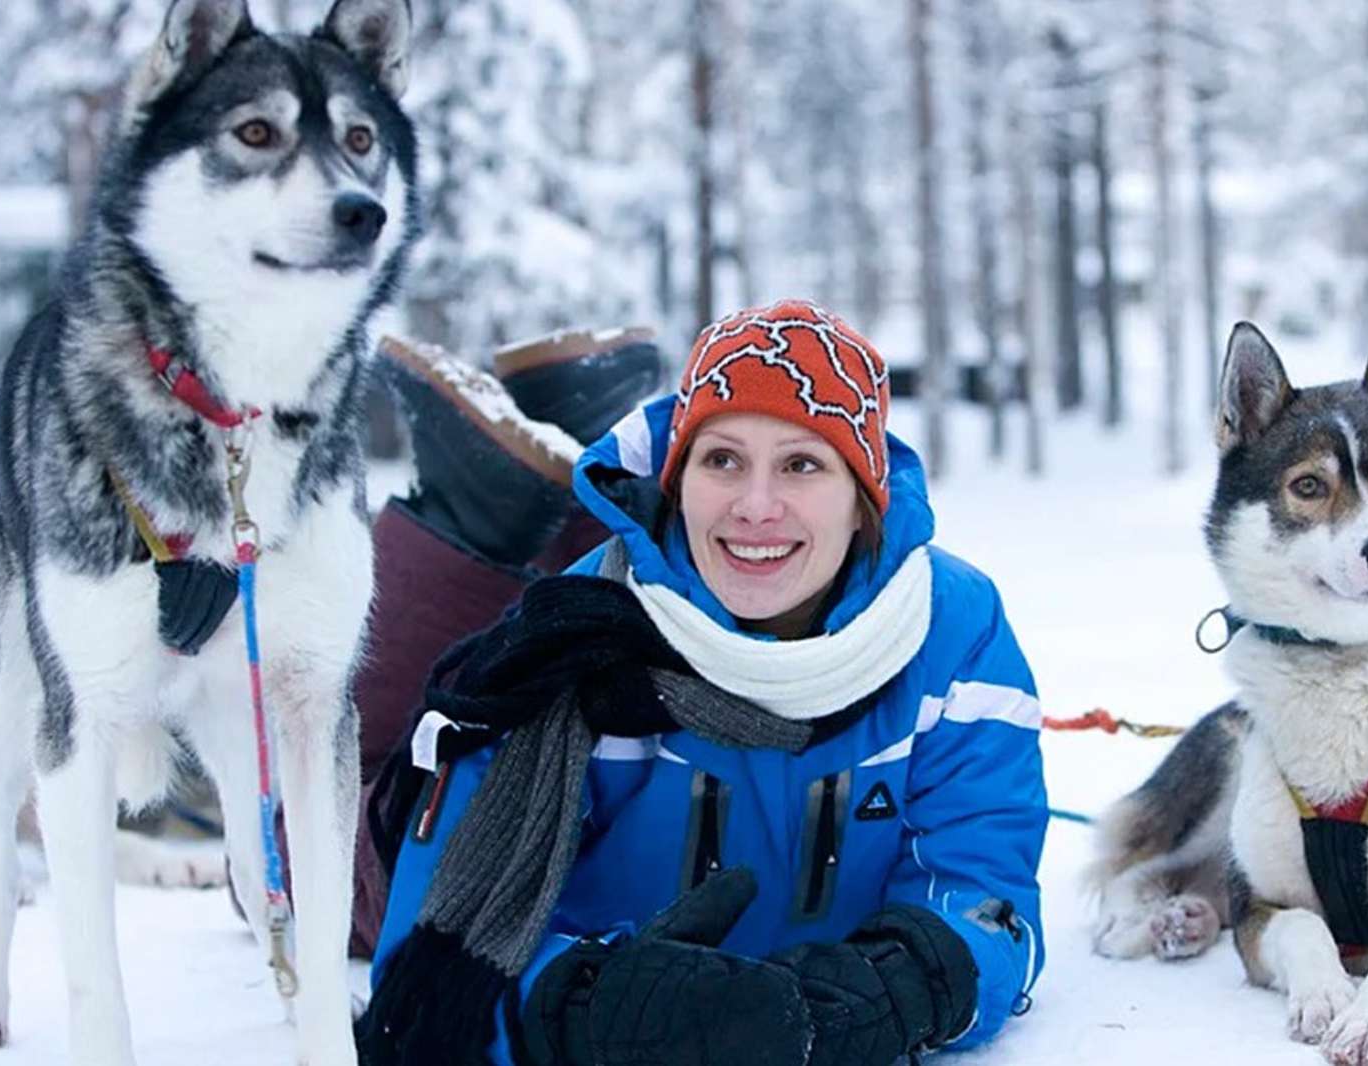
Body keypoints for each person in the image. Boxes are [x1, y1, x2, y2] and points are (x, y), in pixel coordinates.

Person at [355, 300, 1048, 1066]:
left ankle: (542, 449)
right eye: (721, 460)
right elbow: (425, 962)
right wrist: (583, 1005)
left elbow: (983, 888)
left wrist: (899, 984)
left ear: (863, 499)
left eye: (802, 464)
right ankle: (466, 514)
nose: (755, 505)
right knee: (318, 855)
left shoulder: (952, 630)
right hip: (392, 829)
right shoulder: (564, 644)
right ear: (678, 481)